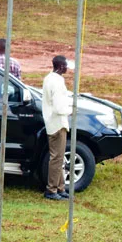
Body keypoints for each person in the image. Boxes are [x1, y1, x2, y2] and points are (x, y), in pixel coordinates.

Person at [42, 55, 73, 200]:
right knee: (57, 158)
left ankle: (60, 188)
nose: (67, 68)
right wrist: (71, 110)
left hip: (53, 122)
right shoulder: (57, 82)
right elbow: (59, 106)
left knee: (59, 158)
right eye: (66, 65)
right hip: (58, 122)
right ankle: (51, 189)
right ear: (61, 67)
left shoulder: (49, 78)